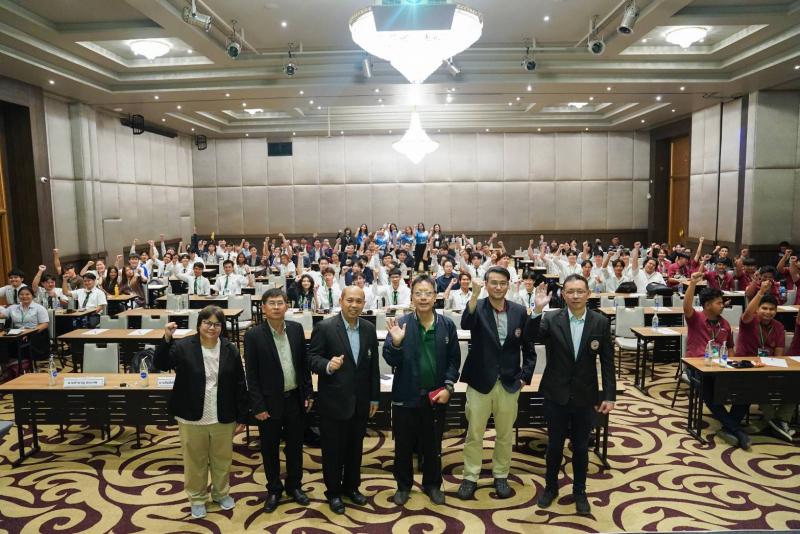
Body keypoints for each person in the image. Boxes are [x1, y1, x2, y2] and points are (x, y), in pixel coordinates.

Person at [525, 275, 615, 516]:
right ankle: (550, 487)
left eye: (580, 291)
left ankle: (580, 491)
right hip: (556, 394)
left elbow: (608, 362)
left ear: (588, 294)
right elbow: (530, 337)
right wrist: (537, 310)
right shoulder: (551, 318)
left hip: (585, 395)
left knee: (581, 447)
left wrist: (609, 396)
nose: (575, 296)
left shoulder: (600, 322)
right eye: (570, 292)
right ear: (563, 294)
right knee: (554, 445)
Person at [154, 307, 248, 519]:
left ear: (222, 327)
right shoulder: (184, 346)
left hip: (223, 413)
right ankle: (197, 498)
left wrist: (242, 415)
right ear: (199, 324)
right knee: (195, 460)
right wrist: (167, 338)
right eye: (207, 323)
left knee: (222, 459)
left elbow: (240, 384)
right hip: (191, 414)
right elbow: (160, 363)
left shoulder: (230, 349)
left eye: (217, 324)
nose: (212, 328)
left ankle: (221, 493)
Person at [457, 266, 534, 501]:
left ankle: (501, 475)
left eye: (502, 283)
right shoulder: (477, 306)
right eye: (493, 283)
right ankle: (470, 477)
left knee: (504, 434)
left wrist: (524, 376)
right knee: (474, 433)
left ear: (508, 285)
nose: (498, 287)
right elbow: (466, 324)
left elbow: (529, 348)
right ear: (486, 285)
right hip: (480, 380)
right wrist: (474, 294)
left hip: (509, 382)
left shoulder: (519, 311)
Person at [383, 275, 461, 506]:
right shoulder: (401, 324)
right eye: (418, 293)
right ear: (412, 297)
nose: (423, 298)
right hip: (405, 395)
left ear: (436, 296)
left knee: (433, 445)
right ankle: (403, 486)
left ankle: (432, 484)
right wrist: (397, 343)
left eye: (428, 293)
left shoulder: (446, 325)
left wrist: (449, 386)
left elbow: (454, 361)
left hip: (436, 396)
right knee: (403, 446)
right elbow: (389, 358)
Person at [306, 286, 380, 515]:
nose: (354, 305)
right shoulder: (325, 327)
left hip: (360, 401)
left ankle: (351, 487)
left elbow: (373, 366)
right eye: (350, 300)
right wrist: (328, 365)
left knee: (355, 449)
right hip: (333, 401)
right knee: (333, 451)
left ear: (364, 303)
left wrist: (374, 397)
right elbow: (311, 358)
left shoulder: (368, 328)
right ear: (341, 301)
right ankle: (333, 492)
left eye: (359, 301)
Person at [244, 289, 314, 513]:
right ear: (263, 308)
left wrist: (308, 393)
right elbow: (251, 374)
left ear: (287, 306)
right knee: (270, 448)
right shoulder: (253, 335)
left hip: (294, 398)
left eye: (280, 303)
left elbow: (303, 365)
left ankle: (294, 486)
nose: (276, 307)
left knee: (295, 446)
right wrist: (257, 405)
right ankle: (274, 489)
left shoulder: (296, 329)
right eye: (271, 303)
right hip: (268, 403)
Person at [683, 272, 745, 448]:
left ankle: (729, 427)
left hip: (721, 366)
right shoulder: (696, 318)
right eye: (719, 303)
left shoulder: (724, 324)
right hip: (697, 366)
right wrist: (692, 283)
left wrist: (732, 364)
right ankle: (735, 429)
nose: (722, 305)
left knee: (746, 386)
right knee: (708, 391)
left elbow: (730, 347)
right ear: (707, 305)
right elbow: (687, 306)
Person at [735, 282, 794, 441]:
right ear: (758, 309)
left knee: (795, 383)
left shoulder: (779, 327)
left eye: (772, 309)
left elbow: (779, 353)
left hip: (768, 366)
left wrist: (775, 370)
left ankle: (780, 420)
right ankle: (777, 422)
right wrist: (760, 292)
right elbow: (747, 313)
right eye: (764, 308)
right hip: (746, 367)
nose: (768, 312)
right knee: (761, 383)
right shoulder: (749, 322)